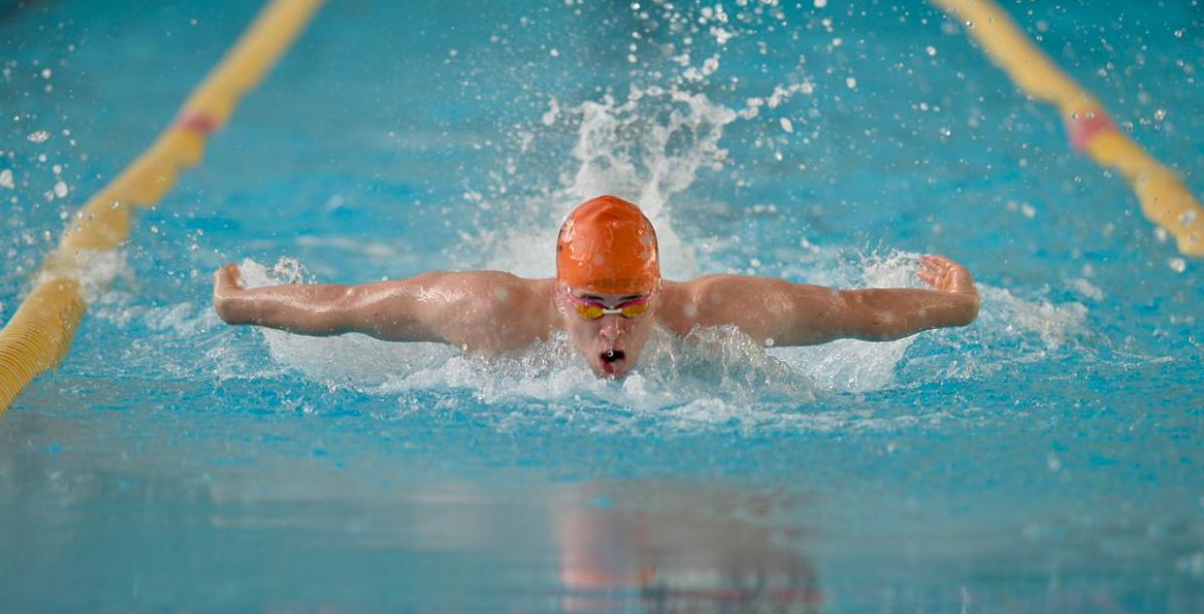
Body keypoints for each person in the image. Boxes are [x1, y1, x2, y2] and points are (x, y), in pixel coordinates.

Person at [213, 195, 980, 379]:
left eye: (630, 306)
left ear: (659, 289)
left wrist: (958, 305)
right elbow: (349, 307)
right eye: (593, 306)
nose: (613, 330)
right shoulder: (490, 311)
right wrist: (240, 302)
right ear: (559, 295)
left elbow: (854, 313)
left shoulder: (716, 311)